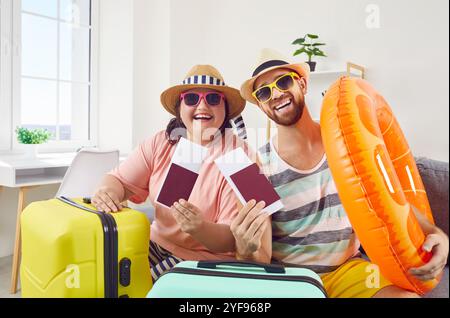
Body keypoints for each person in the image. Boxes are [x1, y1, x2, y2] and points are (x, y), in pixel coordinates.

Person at [233, 49, 449, 298]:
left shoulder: (346, 141)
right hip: (292, 280)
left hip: (349, 270)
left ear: (302, 83)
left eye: (283, 81)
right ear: (260, 104)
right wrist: (245, 250)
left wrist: (436, 233)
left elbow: (389, 199)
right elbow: (258, 258)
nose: (276, 93)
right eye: (264, 92)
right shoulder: (253, 169)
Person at [92, 65, 271, 282]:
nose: (202, 105)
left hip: (203, 259)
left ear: (225, 109)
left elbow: (240, 241)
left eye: (213, 99)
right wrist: (107, 191)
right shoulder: (162, 142)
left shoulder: (241, 157)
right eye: (192, 98)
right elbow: (117, 179)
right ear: (180, 107)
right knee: (101, 273)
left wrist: (201, 228)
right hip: (153, 242)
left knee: (136, 285)